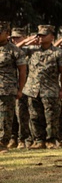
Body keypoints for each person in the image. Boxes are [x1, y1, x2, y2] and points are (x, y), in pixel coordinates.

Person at [21, 25, 62, 149]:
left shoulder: (58, 53)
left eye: (43, 35)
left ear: (52, 37)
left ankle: (50, 141)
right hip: (32, 90)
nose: (40, 37)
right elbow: (14, 48)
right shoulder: (31, 51)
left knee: (51, 117)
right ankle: (39, 140)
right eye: (39, 35)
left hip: (50, 90)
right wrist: (28, 41)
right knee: (35, 116)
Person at [0, 22, 28, 151]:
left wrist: (20, 89)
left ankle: (2, 143)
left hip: (7, 89)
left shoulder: (15, 51)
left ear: (7, 34)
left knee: (6, 118)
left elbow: (22, 71)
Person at [10, 27, 33, 148]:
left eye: (18, 37)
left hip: (26, 87)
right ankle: (13, 138)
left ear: (25, 37)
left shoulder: (30, 50)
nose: (14, 40)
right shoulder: (9, 50)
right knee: (11, 114)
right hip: (10, 87)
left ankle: (25, 139)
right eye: (12, 38)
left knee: (24, 115)